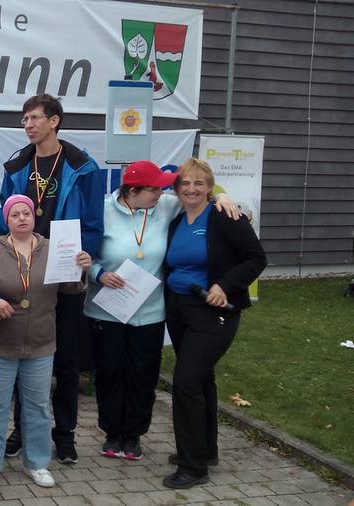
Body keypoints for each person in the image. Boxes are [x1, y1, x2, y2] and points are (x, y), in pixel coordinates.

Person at [0, 93, 105, 463]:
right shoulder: (18, 165)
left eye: (35, 118)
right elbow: (6, 219)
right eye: (25, 119)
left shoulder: (82, 166)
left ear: (54, 121)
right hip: (26, 272)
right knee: (26, 353)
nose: (29, 125)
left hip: (64, 270)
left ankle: (64, 435)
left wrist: (85, 256)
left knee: (65, 358)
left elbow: (93, 223)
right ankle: (22, 431)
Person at [84, 160, 239, 462]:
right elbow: (82, 253)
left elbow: (200, 197)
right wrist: (98, 273)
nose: (162, 193)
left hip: (150, 310)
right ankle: (112, 433)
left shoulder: (166, 206)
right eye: (154, 189)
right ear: (132, 191)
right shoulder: (101, 210)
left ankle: (134, 435)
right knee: (109, 373)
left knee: (143, 375)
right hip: (107, 309)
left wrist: (222, 196)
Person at [0, 195, 91, 490]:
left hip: (40, 343)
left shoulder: (53, 248)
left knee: (38, 407)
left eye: (26, 213)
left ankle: (37, 463)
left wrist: (80, 268)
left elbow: (70, 287)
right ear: (7, 220)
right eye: (15, 214)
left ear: (34, 217)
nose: (22, 218)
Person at [162, 158, 266, 489]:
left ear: (210, 187)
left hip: (214, 311)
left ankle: (192, 468)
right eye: (185, 183)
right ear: (177, 189)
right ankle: (205, 451)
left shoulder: (224, 216)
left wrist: (225, 285)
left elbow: (256, 258)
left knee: (185, 383)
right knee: (202, 380)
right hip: (180, 308)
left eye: (199, 183)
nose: (191, 189)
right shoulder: (177, 220)